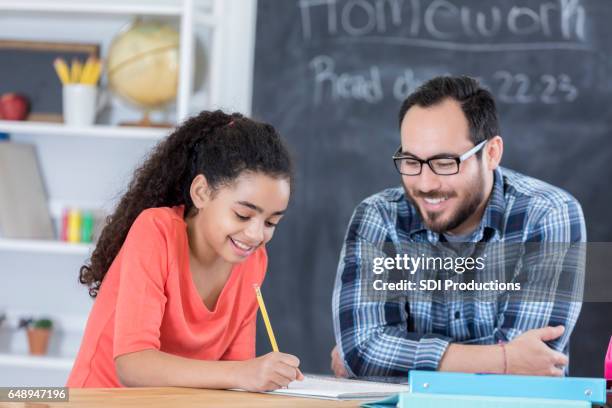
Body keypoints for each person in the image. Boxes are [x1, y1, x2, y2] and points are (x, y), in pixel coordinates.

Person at [331, 76, 585, 378]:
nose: (425, 184)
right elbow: (362, 349)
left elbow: (532, 365)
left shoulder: (549, 214)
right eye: (411, 161)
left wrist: (397, 355)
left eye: (445, 162)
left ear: (491, 153)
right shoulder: (378, 217)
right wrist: (503, 359)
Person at [67, 110, 303, 390]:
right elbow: (133, 366)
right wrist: (243, 373)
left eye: (271, 222)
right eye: (242, 215)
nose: (255, 234)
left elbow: (237, 373)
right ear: (201, 192)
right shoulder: (156, 232)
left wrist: (255, 377)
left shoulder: (253, 261)